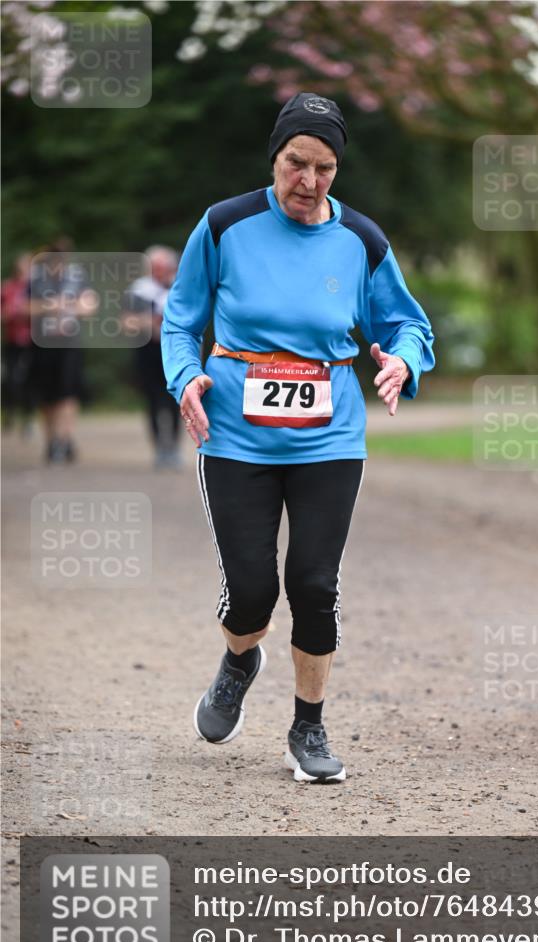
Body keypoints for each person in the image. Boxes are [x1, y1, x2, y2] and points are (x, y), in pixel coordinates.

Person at [162, 93, 434, 781]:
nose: (308, 182)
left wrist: (404, 359)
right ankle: (238, 661)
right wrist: (185, 376)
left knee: (313, 583)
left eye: (325, 168)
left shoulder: (361, 240)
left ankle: (307, 727)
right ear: (274, 158)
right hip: (234, 435)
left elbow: (407, 322)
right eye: (295, 163)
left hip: (329, 438)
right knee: (250, 592)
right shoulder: (224, 226)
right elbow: (180, 320)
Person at [29, 241, 98, 463]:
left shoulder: (76, 278)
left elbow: (90, 305)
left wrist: (68, 306)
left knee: (68, 393)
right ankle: (51, 441)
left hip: (69, 343)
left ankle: (65, 439)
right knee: (46, 395)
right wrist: (49, 307)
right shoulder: (36, 279)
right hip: (41, 344)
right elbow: (23, 307)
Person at [123, 246, 181, 468]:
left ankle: (173, 448)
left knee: (175, 400)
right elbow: (126, 322)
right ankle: (159, 448)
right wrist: (149, 323)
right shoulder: (139, 290)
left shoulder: (179, 287)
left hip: (174, 351)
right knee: (153, 400)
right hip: (148, 351)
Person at [1, 252, 34, 433]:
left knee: (30, 380)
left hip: (32, 341)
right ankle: (10, 411)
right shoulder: (7, 287)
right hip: (12, 340)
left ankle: (28, 417)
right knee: (11, 379)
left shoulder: (36, 288)